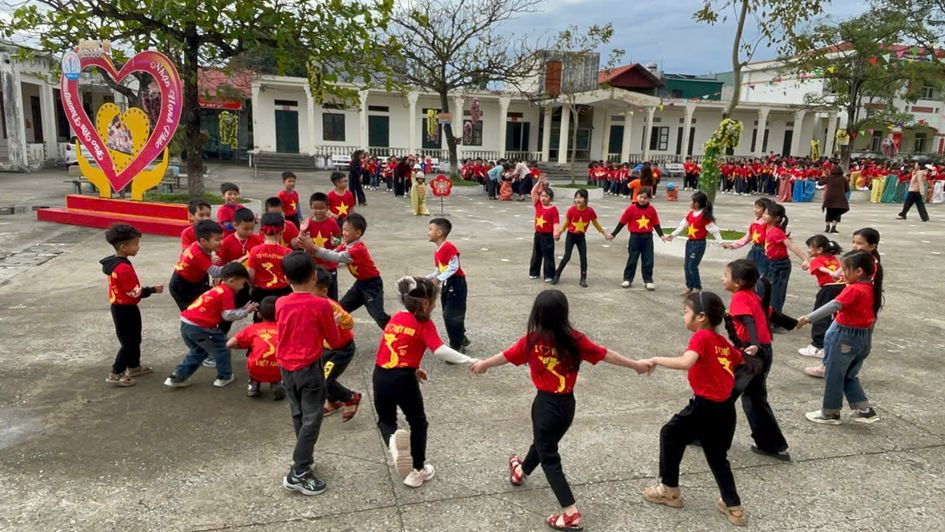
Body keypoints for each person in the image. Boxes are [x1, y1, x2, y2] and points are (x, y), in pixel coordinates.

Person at [470, 289, 652, 531]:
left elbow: (505, 356)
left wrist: (483, 365)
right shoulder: (575, 339)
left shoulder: (532, 340)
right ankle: (520, 471)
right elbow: (606, 354)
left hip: (545, 406)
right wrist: (635, 365)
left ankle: (570, 513)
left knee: (549, 457)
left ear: (537, 315)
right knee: (544, 444)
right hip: (567, 406)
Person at [639, 292, 749, 527]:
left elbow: (686, 362)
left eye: (686, 312)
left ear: (701, 317)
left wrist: (656, 359)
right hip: (725, 409)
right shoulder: (722, 342)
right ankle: (734, 506)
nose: (683, 316)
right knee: (717, 457)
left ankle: (669, 490)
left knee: (670, 433)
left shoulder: (702, 337)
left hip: (704, 406)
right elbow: (740, 360)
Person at [375, 277, 476, 487]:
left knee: (386, 420)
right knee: (418, 422)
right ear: (426, 303)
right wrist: (470, 360)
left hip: (381, 375)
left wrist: (414, 367)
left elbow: (397, 347)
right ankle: (417, 470)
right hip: (404, 380)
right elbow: (439, 350)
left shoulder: (396, 318)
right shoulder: (424, 324)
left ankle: (392, 442)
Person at [275, 250, 344, 496]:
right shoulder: (321, 304)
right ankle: (300, 471)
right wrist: (334, 321)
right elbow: (334, 341)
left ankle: (305, 459)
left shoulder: (280, 303)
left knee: (299, 414)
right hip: (309, 368)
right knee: (312, 419)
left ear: (285, 279)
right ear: (314, 277)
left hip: (286, 367)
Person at [797, 250, 883, 425]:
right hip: (862, 339)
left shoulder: (854, 289)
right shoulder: (871, 288)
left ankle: (830, 413)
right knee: (849, 375)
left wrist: (807, 318)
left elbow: (834, 305)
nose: (842, 273)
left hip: (844, 338)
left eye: (845, 269)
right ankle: (864, 410)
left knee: (834, 375)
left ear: (859, 271)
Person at [722, 260, 790, 461]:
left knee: (724, 394)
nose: (722, 279)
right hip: (764, 350)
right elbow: (771, 313)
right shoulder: (753, 296)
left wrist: (753, 344)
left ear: (738, 282)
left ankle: (705, 434)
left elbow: (748, 321)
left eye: (725, 275)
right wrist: (794, 323)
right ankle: (772, 444)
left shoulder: (740, 297)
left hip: (751, 353)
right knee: (755, 398)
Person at [164, 262, 257, 389]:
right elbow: (227, 315)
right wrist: (247, 311)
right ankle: (224, 377)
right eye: (242, 283)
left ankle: (177, 377)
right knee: (223, 348)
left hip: (186, 323)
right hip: (201, 327)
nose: (242, 287)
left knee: (199, 351)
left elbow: (225, 311)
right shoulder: (227, 292)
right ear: (231, 281)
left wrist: (242, 309)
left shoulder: (218, 289)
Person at [300, 212, 391, 330]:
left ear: (358, 233)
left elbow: (336, 257)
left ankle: (398, 331)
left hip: (372, 286)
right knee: (340, 309)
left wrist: (313, 247)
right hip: (360, 284)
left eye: (347, 230)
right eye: (343, 229)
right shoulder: (347, 244)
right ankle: (333, 335)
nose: (343, 233)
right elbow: (331, 254)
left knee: (379, 317)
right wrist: (310, 249)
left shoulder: (358, 249)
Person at [100, 223, 162, 387]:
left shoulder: (116, 262)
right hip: (125, 309)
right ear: (123, 247)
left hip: (122, 307)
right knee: (129, 343)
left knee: (134, 339)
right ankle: (116, 372)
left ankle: (134, 366)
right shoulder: (123, 268)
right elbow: (134, 293)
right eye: (135, 244)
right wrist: (152, 290)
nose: (138, 247)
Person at [314, 267, 361, 422]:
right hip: (326, 348)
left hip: (342, 349)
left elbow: (349, 322)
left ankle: (350, 397)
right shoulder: (312, 303)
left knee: (325, 379)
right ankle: (333, 402)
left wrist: (336, 323)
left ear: (323, 291)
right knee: (321, 375)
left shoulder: (331, 306)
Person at [662, 191, 723, 296]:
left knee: (692, 266)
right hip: (690, 243)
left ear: (698, 203)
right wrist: (672, 235)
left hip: (699, 244)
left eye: (692, 201)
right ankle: (689, 286)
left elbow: (714, 230)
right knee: (686, 266)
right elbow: (682, 226)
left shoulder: (704, 216)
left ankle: (697, 287)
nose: (690, 203)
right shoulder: (690, 214)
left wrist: (721, 242)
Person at [227, 295, 286, 400]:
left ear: (259, 314)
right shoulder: (286, 329)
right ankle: (277, 383)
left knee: (253, 358)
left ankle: (253, 385)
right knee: (283, 361)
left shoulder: (253, 329)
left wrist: (245, 346)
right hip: (279, 369)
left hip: (256, 368)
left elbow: (229, 344)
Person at [797, 236, 844, 360]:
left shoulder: (817, 260)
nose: (808, 250)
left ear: (819, 250)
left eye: (810, 247)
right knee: (837, 315)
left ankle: (818, 346)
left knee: (821, 315)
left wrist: (829, 272)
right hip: (841, 286)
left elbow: (820, 267)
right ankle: (833, 342)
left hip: (828, 289)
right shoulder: (832, 258)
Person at [427, 218, 469, 353]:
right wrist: (425, 279)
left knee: (451, 315)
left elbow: (454, 267)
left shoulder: (448, 247)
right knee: (448, 312)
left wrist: (438, 279)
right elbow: (439, 270)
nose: (428, 232)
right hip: (447, 283)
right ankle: (460, 337)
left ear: (439, 232)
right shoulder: (437, 251)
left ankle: (456, 346)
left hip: (456, 284)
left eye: (430, 229)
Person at [607, 189, 664, 290]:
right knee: (632, 259)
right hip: (635, 237)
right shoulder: (631, 209)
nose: (642, 200)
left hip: (647, 238)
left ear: (649, 199)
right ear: (636, 196)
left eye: (645, 198)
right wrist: (613, 234)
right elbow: (622, 222)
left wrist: (661, 235)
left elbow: (656, 223)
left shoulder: (651, 210)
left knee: (648, 260)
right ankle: (627, 279)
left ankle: (648, 280)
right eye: (640, 197)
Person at [761, 203, 809, 314]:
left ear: (776, 218)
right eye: (764, 213)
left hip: (780, 265)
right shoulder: (767, 227)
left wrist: (805, 259)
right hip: (771, 263)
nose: (763, 215)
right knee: (768, 290)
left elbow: (791, 245)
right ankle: (768, 314)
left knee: (776, 292)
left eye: (767, 214)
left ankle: (775, 317)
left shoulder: (777, 232)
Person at [553, 189, 605, 287]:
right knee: (567, 256)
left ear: (586, 199)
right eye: (576, 197)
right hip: (571, 236)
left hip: (581, 237)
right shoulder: (571, 210)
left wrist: (603, 233)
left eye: (580, 197)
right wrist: (559, 233)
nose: (578, 200)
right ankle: (557, 274)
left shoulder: (590, 211)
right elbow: (566, 223)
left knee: (583, 257)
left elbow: (595, 223)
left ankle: (583, 278)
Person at [169, 220, 224, 311]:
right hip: (183, 286)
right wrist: (232, 267)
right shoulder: (198, 254)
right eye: (217, 240)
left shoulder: (199, 246)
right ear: (203, 241)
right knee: (194, 312)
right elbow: (215, 272)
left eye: (222, 238)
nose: (222, 242)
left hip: (195, 280)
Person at [247, 213, 293, 314]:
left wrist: (252, 287)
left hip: (261, 293)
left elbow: (250, 275)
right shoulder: (287, 252)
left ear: (262, 231)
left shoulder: (255, 251)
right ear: (283, 230)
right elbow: (291, 276)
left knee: (261, 318)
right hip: (283, 292)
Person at [301, 192, 342, 301]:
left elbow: (338, 239)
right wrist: (302, 232)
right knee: (313, 294)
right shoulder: (307, 223)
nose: (318, 211)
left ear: (328, 208)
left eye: (322, 208)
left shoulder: (332, 223)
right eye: (315, 208)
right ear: (311, 207)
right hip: (313, 266)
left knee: (332, 295)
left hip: (329, 265)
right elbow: (300, 241)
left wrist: (335, 242)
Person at [722, 198, 773, 279]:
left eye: (758, 208)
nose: (755, 210)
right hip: (754, 250)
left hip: (764, 252)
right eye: (755, 207)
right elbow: (747, 237)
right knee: (747, 272)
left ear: (766, 210)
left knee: (762, 275)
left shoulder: (768, 224)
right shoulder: (754, 223)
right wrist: (732, 245)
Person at [530, 187, 559, 283]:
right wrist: (538, 183)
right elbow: (533, 192)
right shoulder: (538, 205)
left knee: (548, 255)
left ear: (550, 198)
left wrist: (556, 232)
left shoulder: (553, 209)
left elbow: (556, 222)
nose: (543, 198)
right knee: (536, 254)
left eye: (546, 196)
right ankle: (534, 272)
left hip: (548, 236)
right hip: (538, 234)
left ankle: (549, 274)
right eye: (542, 196)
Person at [820, 166, 850, 233]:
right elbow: (847, 189)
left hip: (829, 197)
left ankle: (827, 227)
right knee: (837, 213)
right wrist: (841, 191)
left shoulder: (829, 177)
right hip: (840, 198)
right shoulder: (843, 178)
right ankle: (833, 227)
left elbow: (820, 183)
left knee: (829, 211)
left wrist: (823, 176)